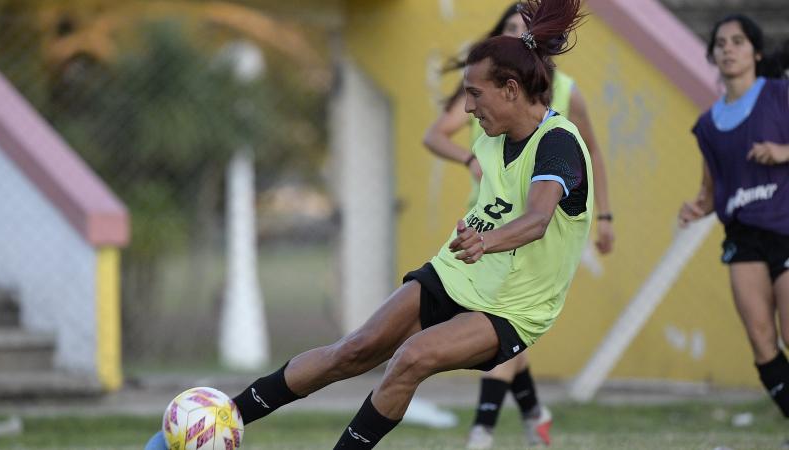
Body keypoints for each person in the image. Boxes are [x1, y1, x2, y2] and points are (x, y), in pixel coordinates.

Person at [146, 0, 590, 448]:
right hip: (459, 272)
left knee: (411, 358)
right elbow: (453, 144)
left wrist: (486, 242)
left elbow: (537, 219)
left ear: (511, 90)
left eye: (475, 94)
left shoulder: (557, 144)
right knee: (354, 349)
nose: (469, 107)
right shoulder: (493, 136)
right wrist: (477, 247)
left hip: (513, 307)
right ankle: (216, 419)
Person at [423, 2, 613, 447]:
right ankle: (534, 414)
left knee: (501, 323)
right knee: (501, 335)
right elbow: (434, 134)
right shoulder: (479, 91)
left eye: (521, 33)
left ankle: (482, 430)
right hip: (480, 228)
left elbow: (592, 154)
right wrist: (468, 156)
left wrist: (605, 214)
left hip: (530, 232)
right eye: (507, 31)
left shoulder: (566, 96)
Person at [677, 13, 789, 446]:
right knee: (762, 341)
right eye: (720, 43)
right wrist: (697, 207)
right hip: (742, 235)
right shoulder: (708, 125)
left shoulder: (779, 95)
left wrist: (783, 151)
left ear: (756, 52)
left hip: (784, 227)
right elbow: (711, 191)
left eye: (738, 41)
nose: (727, 48)